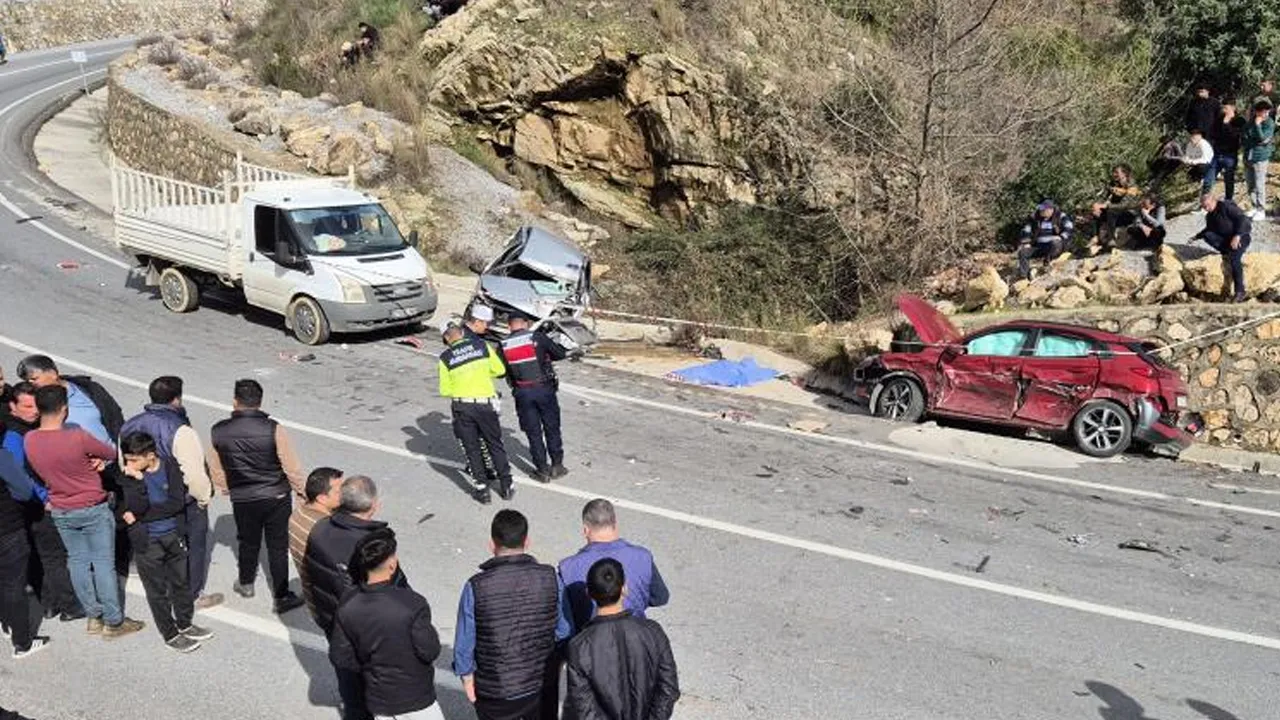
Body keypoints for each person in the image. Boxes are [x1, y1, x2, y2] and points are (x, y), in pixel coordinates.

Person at [23, 385, 144, 639]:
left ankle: (93, 617)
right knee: (102, 564)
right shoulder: (77, 436)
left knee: (77, 561)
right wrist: (98, 462)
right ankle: (113, 620)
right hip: (92, 507)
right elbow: (111, 452)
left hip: (60, 509)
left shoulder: (30, 440)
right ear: (64, 410)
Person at [17, 355, 131, 582]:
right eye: (29, 382)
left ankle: (121, 560)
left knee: (121, 515)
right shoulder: (40, 405)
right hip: (79, 476)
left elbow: (115, 417)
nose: (33, 385)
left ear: (53, 371)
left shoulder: (88, 390)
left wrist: (119, 453)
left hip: (111, 464)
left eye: (35, 378)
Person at [306, 475, 407, 720]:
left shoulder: (319, 529)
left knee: (350, 685)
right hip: (367, 630)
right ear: (374, 506)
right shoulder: (373, 543)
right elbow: (397, 590)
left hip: (333, 619)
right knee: (377, 689)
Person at [454, 510, 570, 720]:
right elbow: (564, 631)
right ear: (527, 541)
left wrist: (467, 678)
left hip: (495, 691)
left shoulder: (476, 586)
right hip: (541, 683)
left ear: (492, 544)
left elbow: (465, 643)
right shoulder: (550, 577)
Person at [120, 376, 221, 610]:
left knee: (158, 544)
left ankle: (163, 587)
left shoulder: (130, 425)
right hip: (180, 500)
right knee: (192, 546)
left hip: (146, 495)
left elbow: (124, 462)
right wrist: (203, 498)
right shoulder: (180, 429)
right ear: (177, 399)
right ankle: (191, 594)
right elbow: (194, 473)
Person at [208, 379, 306, 614]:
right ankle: (282, 595)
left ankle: (246, 583)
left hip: (243, 497)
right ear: (260, 402)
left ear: (235, 402)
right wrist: (302, 490)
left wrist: (225, 485)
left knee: (247, 541)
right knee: (277, 545)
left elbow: (216, 467)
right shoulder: (274, 428)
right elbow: (290, 465)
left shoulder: (219, 430)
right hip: (276, 495)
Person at [329, 528, 444, 720]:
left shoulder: (348, 605)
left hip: (378, 697)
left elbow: (341, 657)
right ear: (392, 565)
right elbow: (430, 651)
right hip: (416, 695)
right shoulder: (412, 603)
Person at [119, 432, 214, 653]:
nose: (129, 464)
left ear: (150, 456)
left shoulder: (170, 466)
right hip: (148, 542)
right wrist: (139, 483)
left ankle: (185, 623)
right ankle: (169, 633)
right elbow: (133, 507)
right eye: (127, 459)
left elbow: (175, 503)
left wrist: (141, 515)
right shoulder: (129, 477)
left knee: (181, 583)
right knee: (157, 590)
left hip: (174, 535)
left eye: (134, 459)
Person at [563, 559, 680, 720]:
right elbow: (668, 688)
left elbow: (582, 708)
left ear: (589, 593)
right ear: (624, 588)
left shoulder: (580, 646)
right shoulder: (653, 632)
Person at [4, 382, 81, 622]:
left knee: (45, 555)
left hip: (33, 505)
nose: (33, 411)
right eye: (26, 406)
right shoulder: (14, 436)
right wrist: (44, 498)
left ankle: (49, 603)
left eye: (35, 406)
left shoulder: (30, 429)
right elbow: (21, 475)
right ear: (12, 406)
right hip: (34, 505)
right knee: (53, 556)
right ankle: (66, 604)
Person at [558, 499, 670, 634]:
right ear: (615, 525)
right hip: (636, 635)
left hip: (591, 643)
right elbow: (660, 598)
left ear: (586, 530)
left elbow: (565, 624)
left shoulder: (567, 568)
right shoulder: (643, 556)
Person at [439, 315, 513, 504]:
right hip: (485, 404)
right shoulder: (481, 346)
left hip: (463, 407)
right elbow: (499, 370)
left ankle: (482, 489)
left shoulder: (445, 358)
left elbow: (445, 390)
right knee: (494, 444)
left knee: (472, 449)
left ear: (446, 338)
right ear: (462, 333)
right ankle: (506, 485)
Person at [499, 314, 569, 482]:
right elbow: (559, 354)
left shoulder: (503, 345)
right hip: (544, 389)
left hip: (522, 392)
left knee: (533, 432)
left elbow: (500, 372)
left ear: (509, 326)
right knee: (551, 427)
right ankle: (557, 465)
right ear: (526, 323)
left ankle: (542, 470)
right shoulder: (537, 337)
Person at [0, 436, 50, 658]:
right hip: (7, 527)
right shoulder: (1, 456)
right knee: (14, 585)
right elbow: (22, 490)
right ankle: (22, 642)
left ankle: (5, 624)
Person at [290, 466, 344, 617]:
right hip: (331, 606)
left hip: (315, 599)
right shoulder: (325, 531)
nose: (345, 494)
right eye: (339, 491)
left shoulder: (298, 514)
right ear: (321, 498)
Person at [1193, 194, 1252, 302]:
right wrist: (1196, 237)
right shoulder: (1209, 216)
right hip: (1226, 241)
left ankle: (1240, 291)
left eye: (1208, 205)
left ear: (1214, 201)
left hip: (1240, 237)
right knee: (1208, 235)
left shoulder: (1226, 207)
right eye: (1204, 207)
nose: (1206, 209)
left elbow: (1243, 219)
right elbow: (1208, 229)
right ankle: (1226, 252)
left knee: (1234, 260)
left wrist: (1237, 235)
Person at [1015, 200, 1073, 281]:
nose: (1041, 211)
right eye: (1040, 209)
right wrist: (1026, 242)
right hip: (1040, 246)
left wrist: (1061, 237)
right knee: (1023, 252)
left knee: (1055, 243)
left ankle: (1047, 263)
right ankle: (1023, 276)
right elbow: (1026, 229)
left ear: (1051, 210)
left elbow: (1069, 228)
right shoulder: (1035, 217)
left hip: (1055, 245)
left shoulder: (1061, 216)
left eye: (1043, 210)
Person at [1090, 164, 1142, 250]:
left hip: (1130, 213)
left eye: (1117, 172)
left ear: (1124, 174)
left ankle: (1112, 239)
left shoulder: (1133, 186)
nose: (1114, 174)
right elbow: (1104, 197)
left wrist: (1106, 205)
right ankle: (1097, 237)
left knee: (1111, 211)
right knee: (1096, 213)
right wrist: (1097, 205)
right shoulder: (1114, 184)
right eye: (1113, 172)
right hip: (1116, 212)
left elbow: (1125, 205)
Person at [1243, 99, 1275, 220]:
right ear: (1256, 112)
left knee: (1259, 184)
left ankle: (1261, 210)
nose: (1265, 114)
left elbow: (1262, 138)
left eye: (1267, 111)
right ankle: (1254, 206)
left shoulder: (1269, 123)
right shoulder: (1250, 121)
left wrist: (1257, 125)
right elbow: (1244, 137)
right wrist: (1257, 140)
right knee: (1250, 184)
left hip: (1260, 158)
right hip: (1248, 156)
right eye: (1262, 111)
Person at [1209, 99, 1245, 200]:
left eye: (1226, 108)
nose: (1224, 110)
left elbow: (1235, 137)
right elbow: (1212, 134)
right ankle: (1206, 201)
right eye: (1223, 108)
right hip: (1217, 153)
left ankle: (1228, 200)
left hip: (1230, 154)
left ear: (1233, 107)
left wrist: (1226, 124)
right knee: (1209, 178)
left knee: (1229, 179)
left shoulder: (1239, 120)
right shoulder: (1219, 119)